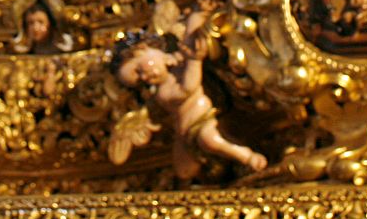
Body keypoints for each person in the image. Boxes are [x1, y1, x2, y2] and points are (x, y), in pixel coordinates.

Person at [108, 30, 267, 180]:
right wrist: (194, 60)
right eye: (140, 81)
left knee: (209, 140)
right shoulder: (163, 91)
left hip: (205, 117)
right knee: (185, 170)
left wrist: (199, 11)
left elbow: (192, 33)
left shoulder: (179, 56)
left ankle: (249, 158)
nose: (145, 77)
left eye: (139, 69)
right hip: (188, 130)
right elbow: (186, 89)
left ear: (144, 48)